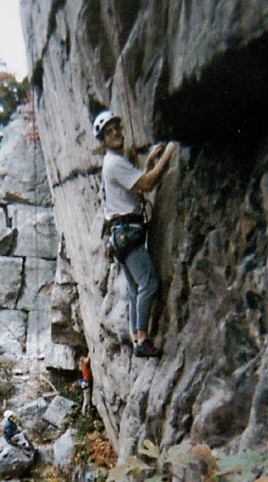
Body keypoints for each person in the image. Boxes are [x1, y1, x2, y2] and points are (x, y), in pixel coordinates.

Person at [93, 109, 177, 358]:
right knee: (148, 283)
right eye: (109, 132)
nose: (116, 133)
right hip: (127, 234)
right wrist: (169, 153)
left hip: (119, 235)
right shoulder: (115, 162)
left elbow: (133, 185)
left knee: (133, 289)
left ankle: (134, 334)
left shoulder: (113, 162)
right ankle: (142, 339)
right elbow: (147, 184)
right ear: (103, 141)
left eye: (117, 128)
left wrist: (150, 161)